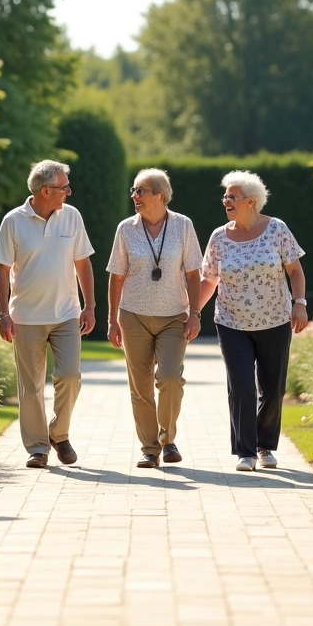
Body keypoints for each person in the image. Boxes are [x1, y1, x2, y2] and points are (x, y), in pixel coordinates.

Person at [198, 170, 308, 472]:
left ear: (250, 201)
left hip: (274, 320)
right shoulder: (219, 237)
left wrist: (299, 304)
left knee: (272, 388)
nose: (225, 201)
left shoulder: (277, 229)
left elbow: (295, 271)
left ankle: (264, 445)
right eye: (225, 196)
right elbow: (209, 280)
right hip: (232, 323)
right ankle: (245, 451)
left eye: (231, 197)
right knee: (242, 385)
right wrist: (192, 312)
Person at [0, 160, 96, 469]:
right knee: (31, 387)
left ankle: (59, 434)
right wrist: (3, 314)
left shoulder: (72, 217)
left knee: (69, 376)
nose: (69, 192)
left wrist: (89, 306)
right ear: (45, 190)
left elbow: (83, 263)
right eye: (64, 187)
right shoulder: (13, 221)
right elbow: (2, 269)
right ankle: (38, 448)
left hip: (66, 315)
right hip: (25, 317)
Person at [106, 169, 203, 468]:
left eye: (141, 191)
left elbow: (193, 274)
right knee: (141, 386)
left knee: (171, 379)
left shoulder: (183, 225)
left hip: (174, 315)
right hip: (133, 315)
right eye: (133, 191)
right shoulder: (126, 228)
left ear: (160, 194)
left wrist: (195, 314)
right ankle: (150, 449)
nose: (134, 196)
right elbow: (116, 276)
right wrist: (112, 319)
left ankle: (168, 439)